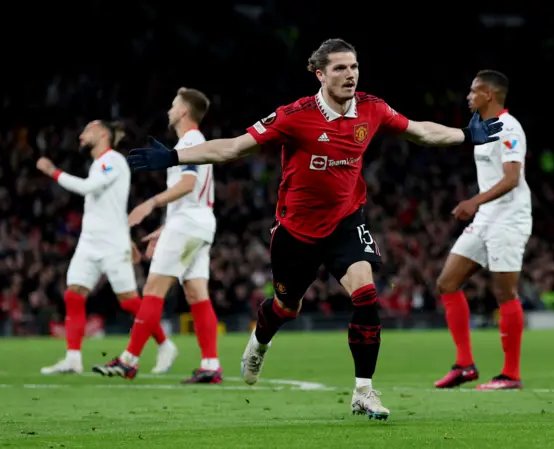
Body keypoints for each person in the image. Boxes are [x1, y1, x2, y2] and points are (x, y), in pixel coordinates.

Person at [126, 39, 503, 418]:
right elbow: (235, 147)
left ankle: (364, 391)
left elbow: (419, 131)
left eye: (354, 67)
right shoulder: (295, 115)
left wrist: (465, 135)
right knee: (286, 307)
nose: (349, 74)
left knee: (367, 295)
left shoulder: (371, 108)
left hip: (345, 221)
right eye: (339, 68)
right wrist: (175, 155)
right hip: (297, 231)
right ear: (320, 74)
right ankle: (259, 341)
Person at [92, 88, 222, 384]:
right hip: (198, 224)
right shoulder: (193, 143)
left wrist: (150, 203)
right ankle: (211, 365)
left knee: (153, 289)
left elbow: (189, 183)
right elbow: (194, 195)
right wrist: (164, 229)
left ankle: (129, 360)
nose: (169, 110)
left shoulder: (190, 141)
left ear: (184, 112)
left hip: (188, 225)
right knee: (196, 294)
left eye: (174, 105)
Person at [37, 120, 175, 375]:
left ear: (102, 134)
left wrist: (53, 171)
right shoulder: (98, 164)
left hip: (111, 244)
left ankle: (165, 344)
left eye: (86, 130)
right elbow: (111, 207)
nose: (81, 134)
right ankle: (73, 358)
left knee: (130, 302)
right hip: (89, 241)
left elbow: (88, 188)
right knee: (73, 294)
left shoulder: (114, 161)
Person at [434, 70, 530, 390]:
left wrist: (473, 201)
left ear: (489, 94)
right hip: (486, 217)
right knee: (447, 283)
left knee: (504, 292)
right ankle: (464, 365)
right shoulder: (482, 127)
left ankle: (511, 374)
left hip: (508, 217)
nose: (468, 96)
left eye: (474, 91)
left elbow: (512, 177)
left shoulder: (509, 127)